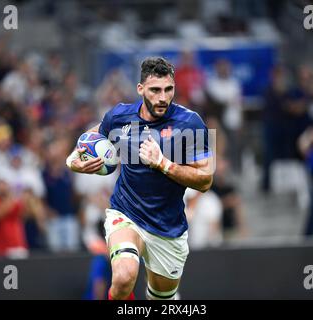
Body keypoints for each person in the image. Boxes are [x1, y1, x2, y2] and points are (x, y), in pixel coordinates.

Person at [66, 57, 214, 300]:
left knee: (161, 298)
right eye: (155, 90)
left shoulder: (190, 123)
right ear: (140, 89)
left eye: (169, 89)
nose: (163, 97)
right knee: (124, 278)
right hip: (126, 214)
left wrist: (163, 163)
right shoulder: (120, 117)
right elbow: (88, 138)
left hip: (168, 227)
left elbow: (205, 180)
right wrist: (72, 161)